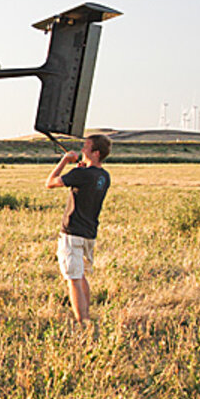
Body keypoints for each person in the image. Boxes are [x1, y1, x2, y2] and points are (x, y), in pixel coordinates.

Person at [45, 134, 112, 326]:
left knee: (73, 279)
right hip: (89, 233)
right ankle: (86, 315)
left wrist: (64, 161)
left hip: (72, 233)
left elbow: (50, 182)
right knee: (80, 276)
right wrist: (81, 169)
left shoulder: (81, 174)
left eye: (86, 147)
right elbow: (88, 181)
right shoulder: (104, 176)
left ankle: (83, 322)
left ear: (96, 153)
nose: (82, 150)